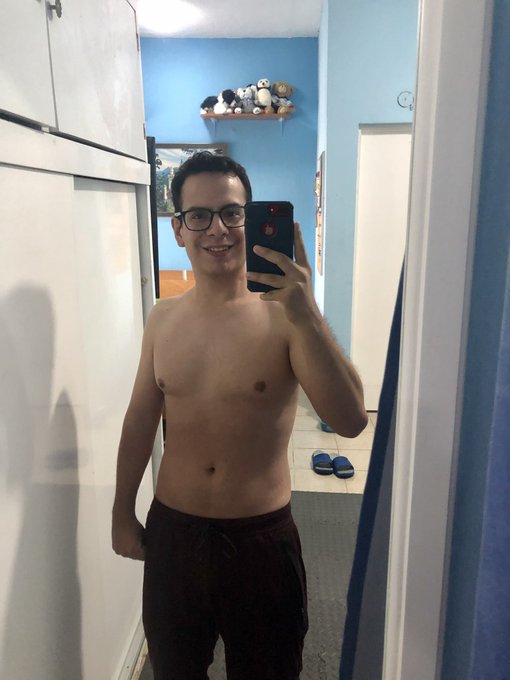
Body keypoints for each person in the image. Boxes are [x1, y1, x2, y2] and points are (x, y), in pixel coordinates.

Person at [112, 151, 367, 680]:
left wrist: (307, 310)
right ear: (178, 229)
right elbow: (139, 421)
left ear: (250, 219)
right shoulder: (162, 319)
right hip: (175, 533)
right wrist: (121, 511)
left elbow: (350, 421)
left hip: (260, 541)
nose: (218, 229)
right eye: (199, 215)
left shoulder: (286, 317)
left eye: (231, 212)